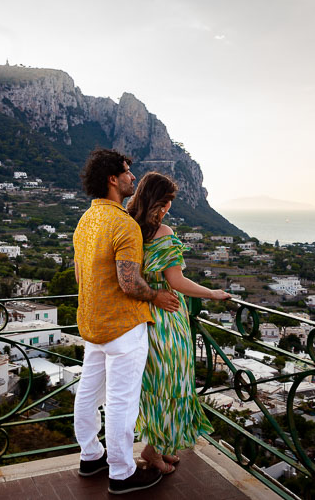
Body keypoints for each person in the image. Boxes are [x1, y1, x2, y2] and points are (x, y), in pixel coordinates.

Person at [72, 149, 180, 495]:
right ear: (112, 179)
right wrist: (157, 297)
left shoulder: (86, 221)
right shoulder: (124, 224)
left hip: (92, 323)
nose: (133, 178)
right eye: (127, 172)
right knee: (121, 401)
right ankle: (121, 473)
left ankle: (91, 456)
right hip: (123, 328)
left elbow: (79, 275)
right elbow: (130, 282)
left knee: (88, 393)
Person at [127, 172, 232, 475]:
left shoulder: (128, 226)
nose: (170, 207)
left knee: (154, 384)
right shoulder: (162, 231)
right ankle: (153, 450)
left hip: (140, 315)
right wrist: (212, 293)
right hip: (167, 318)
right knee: (171, 383)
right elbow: (177, 281)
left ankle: (158, 446)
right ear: (159, 201)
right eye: (168, 201)